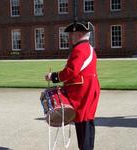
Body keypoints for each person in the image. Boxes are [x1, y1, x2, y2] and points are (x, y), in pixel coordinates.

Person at [45, 21, 100, 150]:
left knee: (82, 123)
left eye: (73, 34)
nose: (71, 36)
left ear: (80, 34)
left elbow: (71, 71)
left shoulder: (79, 49)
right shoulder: (88, 48)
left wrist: (53, 76)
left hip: (82, 91)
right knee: (88, 121)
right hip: (89, 89)